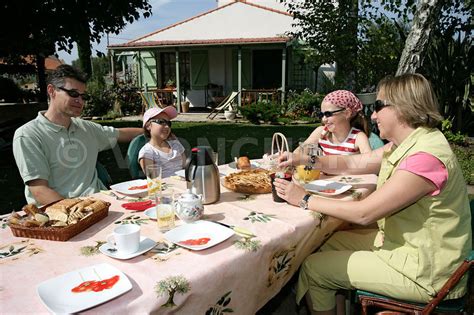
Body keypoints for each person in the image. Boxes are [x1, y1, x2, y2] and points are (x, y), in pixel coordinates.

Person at [274, 73, 471, 314]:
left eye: (378, 106)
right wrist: (305, 158)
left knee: (315, 269)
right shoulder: (408, 143)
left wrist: (303, 198)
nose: (373, 115)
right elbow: (354, 163)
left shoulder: (424, 159)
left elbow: (364, 213)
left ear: (403, 107)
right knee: (323, 243)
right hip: (404, 245)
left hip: (426, 271)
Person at [13, 65, 143, 206]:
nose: (80, 101)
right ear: (51, 91)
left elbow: (120, 134)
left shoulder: (86, 128)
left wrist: (152, 130)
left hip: (99, 203)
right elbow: (39, 190)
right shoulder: (28, 135)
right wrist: (78, 211)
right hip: (60, 215)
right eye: (73, 94)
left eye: (83, 96)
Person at [299, 90, 372, 156]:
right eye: (321, 115)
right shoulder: (322, 132)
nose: (324, 119)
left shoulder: (358, 137)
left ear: (347, 113)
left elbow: (370, 163)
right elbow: (300, 151)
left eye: (328, 114)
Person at [139, 106, 185, 178]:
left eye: (168, 123)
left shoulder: (176, 145)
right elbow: (154, 181)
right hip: (165, 188)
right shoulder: (147, 152)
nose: (167, 127)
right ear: (148, 126)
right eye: (161, 122)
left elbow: (186, 168)